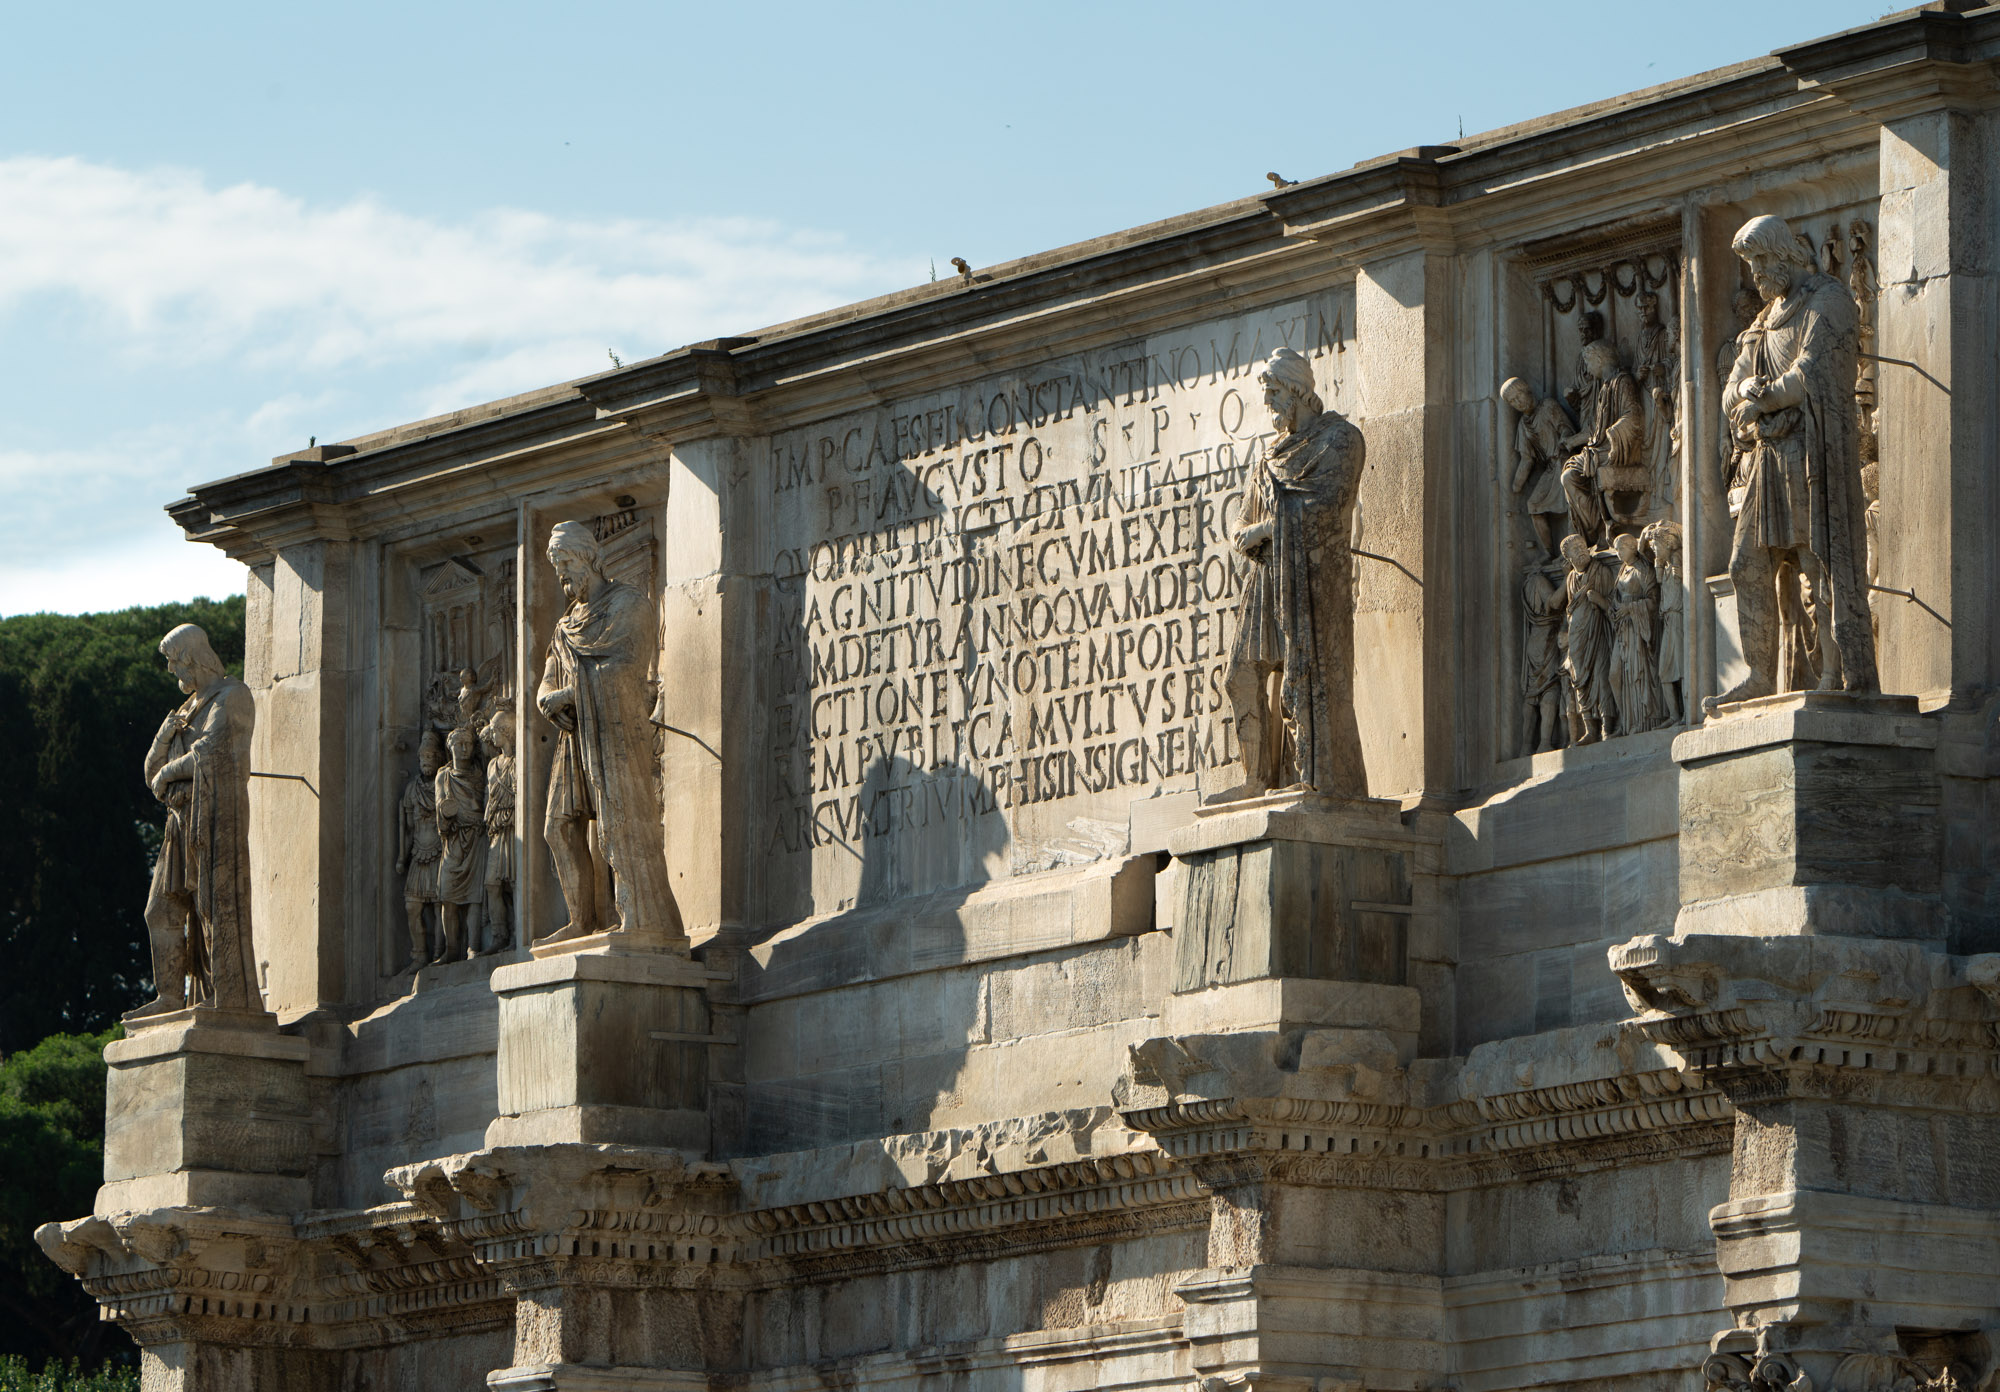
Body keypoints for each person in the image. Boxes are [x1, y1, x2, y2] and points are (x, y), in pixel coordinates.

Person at [1708, 213, 1878, 711]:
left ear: (1784, 254)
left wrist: (1760, 400)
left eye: (1760, 261)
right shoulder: (1763, 322)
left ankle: (1835, 672)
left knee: (1817, 564)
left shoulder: (1829, 299)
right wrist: (1748, 390)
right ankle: (1760, 675)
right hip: (1768, 460)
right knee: (1745, 565)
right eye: (1750, 265)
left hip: (1812, 454)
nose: (1756, 273)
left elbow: (1812, 371)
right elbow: (1731, 389)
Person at [1219, 347, 1367, 799]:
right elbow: (1240, 522)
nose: (1266, 404)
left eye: (1271, 393)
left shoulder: (1339, 439)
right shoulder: (1267, 457)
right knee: (1240, 675)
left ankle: (1308, 776)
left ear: (1295, 390)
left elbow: (1327, 508)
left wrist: (1267, 527)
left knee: (1299, 682)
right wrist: (1254, 532)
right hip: (1265, 580)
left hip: (1309, 583)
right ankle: (1253, 779)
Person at [538, 520, 683, 942]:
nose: (562, 575)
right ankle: (581, 921)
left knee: (617, 823)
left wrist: (568, 695)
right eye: (557, 567)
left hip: (616, 734)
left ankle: (640, 916)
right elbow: (547, 676)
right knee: (557, 827)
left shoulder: (628, 604)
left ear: (588, 558)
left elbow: (625, 670)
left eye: (566, 563)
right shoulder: (566, 625)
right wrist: (547, 699)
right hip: (574, 736)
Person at [131, 624, 259, 1017]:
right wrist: (162, 738)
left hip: (214, 818)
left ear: (192, 658)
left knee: (211, 907)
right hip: (179, 823)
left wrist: (168, 774)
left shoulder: (232, 696)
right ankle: (170, 997)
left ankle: (226, 996)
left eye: (174, 661)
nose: (171, 670)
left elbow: (212, 750)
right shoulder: (185, 709)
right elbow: (150, 771)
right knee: (160, 911)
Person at [1560, 340, 1646, 544]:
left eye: (1589, 363)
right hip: (1600, 447)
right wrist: (1573, 441)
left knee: (1572, 475)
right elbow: (1594, 429)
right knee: (1569, 474)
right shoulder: (1605, 387)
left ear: (1599, 360)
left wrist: (1612, 434)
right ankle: (1595, 527)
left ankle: (1600, 529)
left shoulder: (1622, 381)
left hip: (1617, 447)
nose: (1588, 370)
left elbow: (1633, 415)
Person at [1503, 376, 1576, 558]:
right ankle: (1549, 553)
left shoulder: (1548, 406)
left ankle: (1575, 546)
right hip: (1550, 468)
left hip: (1564, 459)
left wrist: (1564, 439)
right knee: (1533, 505)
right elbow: (1527, 459)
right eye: (1513, 401)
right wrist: (1515, 487)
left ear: (1527, 390)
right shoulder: (1523, 424)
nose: (1518, 402)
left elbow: (1565, 427)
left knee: (1571, 500)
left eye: (1518, 396)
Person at [433, 724, 486, 962]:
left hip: (476, 837)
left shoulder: (478, 773)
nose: (464, 749)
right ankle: (451, 949)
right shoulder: (443, 776)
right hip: (453, 840)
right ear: (450, 746)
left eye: (468, 744)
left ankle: (473, 946)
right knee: (447, 896)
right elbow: (440, 806)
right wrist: (445, 813)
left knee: (474, 896)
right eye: (459, 744)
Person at [396, 731, 445, 972]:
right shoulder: (412, 790)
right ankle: (419, 954)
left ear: (438, 759)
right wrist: (401, 857)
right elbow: (406, 829)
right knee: (412, 906)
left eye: (431, 756)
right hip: (418, 854)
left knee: (439, 907)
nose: (426, 761)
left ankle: (439, 953)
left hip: (439, 853)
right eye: (423, 757)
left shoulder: (444, 785)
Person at [1560, 534, 1616, 745]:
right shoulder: (1570, 579)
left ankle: (1607, 727)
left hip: (1598, 632)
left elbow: (1613, 602)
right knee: (1579, 682)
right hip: (1577, 638)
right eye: (1576, 550)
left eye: (1583, 547)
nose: (1582, 551)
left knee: (1601, 676)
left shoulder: (1601, 571)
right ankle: (1590, 729)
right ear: (1568, 557)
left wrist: (1599, 600)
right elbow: (1570, 609)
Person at [1608, 532, 1661, 736]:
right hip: (1623, 628)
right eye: (1616, 550)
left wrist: (1630, 608)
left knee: (1637, 673)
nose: (1618, 553)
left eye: (1621, 548)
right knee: (1615, 675)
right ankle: (1626, 720)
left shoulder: (1644, 569)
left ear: (1633, 547)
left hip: (1638, 628)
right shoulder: (1623, 570)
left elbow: (1653, 600)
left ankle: (1642, 720)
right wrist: (1615, 608)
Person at [479, 706, 516, 955]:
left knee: (514, 883)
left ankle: (517, 935)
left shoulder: (517, 762)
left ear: (507, 731)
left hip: (513, 826)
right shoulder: (493, 764)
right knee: (492, 884)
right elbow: (488, 796)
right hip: (496, 828)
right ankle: (499, 935)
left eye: (494, 731)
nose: (491, 736)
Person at [1521, 562, 1567, 754]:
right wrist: (1567, 577)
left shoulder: (1528, 583)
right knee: (1550, 686)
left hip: (1534, 640)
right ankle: (1545, 742)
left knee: (1532, 692)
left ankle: (1526, 746)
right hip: (1547, 639)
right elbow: (1554, 603)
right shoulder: (1539, 581)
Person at [1644, 520, 1686, 727]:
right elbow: (1642, 552)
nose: (1654, 550)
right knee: (1665, 672)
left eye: (1656, 546)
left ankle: (1686, 713)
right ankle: (1674, 715)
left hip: (1678, 619)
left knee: (1682, 668)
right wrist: (1658, 564)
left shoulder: (1679, 562)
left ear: (1668, 544)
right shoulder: (1665, 566)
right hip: (1668, 620)